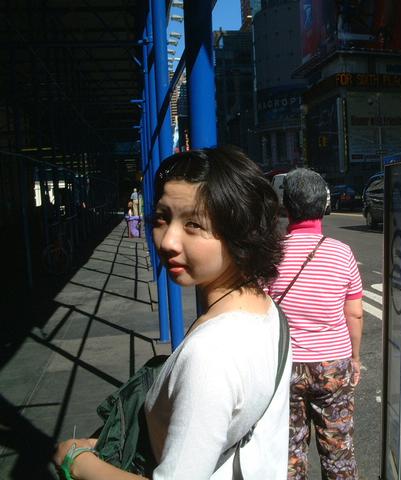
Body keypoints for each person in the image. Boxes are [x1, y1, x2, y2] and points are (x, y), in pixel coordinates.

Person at [53, 147, 291, 479]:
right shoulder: (266, 311)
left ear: (242, 231)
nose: (168, 241)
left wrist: (76, 461)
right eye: (163, 218)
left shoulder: (210, 356)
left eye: (193, 224)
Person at [267, 168, 364, 479]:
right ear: (323, 206)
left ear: (287, 207)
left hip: (286, 367)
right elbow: (354, 313)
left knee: (288, 452)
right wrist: (355, 358)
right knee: (338, 451)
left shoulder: (272, 254)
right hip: (333, 364)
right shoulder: (342, 253)